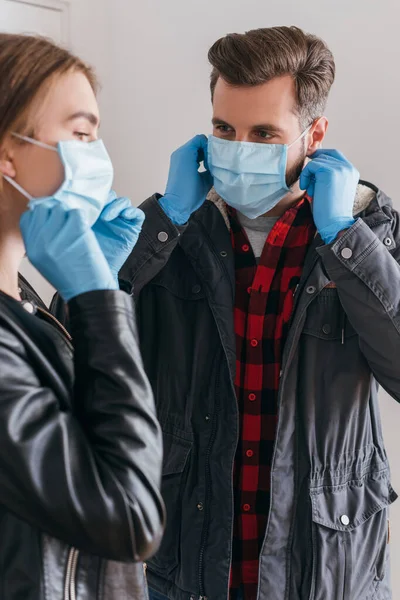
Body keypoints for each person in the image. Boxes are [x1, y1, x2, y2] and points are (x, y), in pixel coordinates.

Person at [53, 26, 399, 600]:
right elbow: (63, 357)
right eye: (223, 129)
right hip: (186, 566)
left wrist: (345, 240)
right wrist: (160, 221)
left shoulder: (371, 235)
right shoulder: (169, 237)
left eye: (263, 134)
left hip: (326, 572)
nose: (238, 149)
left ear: (315, 135)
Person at [0, 33, 165, 600]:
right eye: (80, 134)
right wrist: (99, 298)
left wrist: (78, 300)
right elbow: (129, 517)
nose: (98, 156)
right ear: (7, 152)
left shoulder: (19, 299)